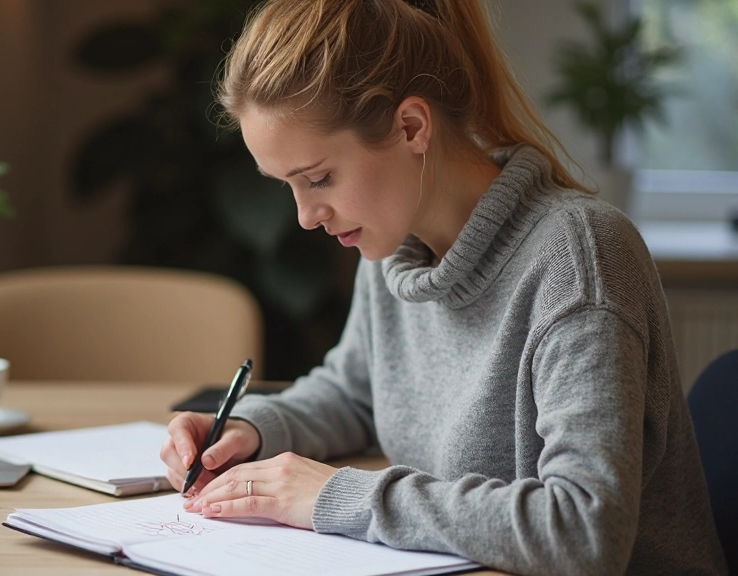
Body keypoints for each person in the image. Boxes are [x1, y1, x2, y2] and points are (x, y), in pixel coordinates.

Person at [159, 0, 728, 574]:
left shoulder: (579, 259)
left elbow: (582, 527)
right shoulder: (391, 246)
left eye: (319, 178)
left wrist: (335, 496)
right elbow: (356, 394)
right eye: (287, 185)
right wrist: (250, 429)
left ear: (411, 126)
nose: (305, 216)